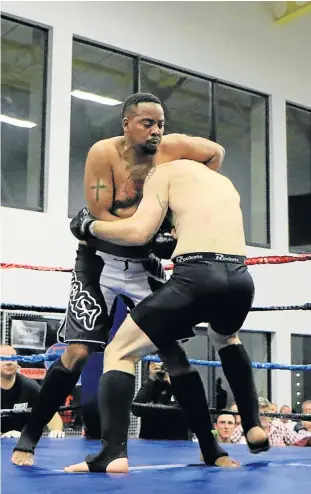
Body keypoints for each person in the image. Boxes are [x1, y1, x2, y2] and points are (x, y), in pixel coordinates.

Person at [12, 92, 225, 467]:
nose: (157, 131)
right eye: (148, 123)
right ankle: (29, 438)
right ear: (126, 124)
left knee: (174, 354)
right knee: (76, 354)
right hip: (100, 263)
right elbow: (101, 216)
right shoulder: (104, 154)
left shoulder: (173, 149)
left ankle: (211, 448)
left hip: (145, 266)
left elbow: (214, 154)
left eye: (161, 123)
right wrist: (152, 231)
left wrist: (185, 207)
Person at [63, 158, 269, 474]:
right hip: (241, 279)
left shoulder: (163, 171)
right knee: (225, 336)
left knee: (119, 350)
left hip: (196, 277)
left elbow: (138, 232)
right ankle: (253, 426)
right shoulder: (221, 182)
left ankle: (112, 453)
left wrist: (89, 225)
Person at [0, 345, 64, 439]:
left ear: (18, 363)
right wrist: (4, 435)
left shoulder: (30, 387)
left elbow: (49, 411)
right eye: (3, 359)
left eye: (13, 358)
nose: (9, 362)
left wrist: (56, 429)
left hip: (22, 444)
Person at [132, 362, 189, 440]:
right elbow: (136, 410)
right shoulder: (150, 386)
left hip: (177, 444)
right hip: (150, 443)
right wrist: (151, 379)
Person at [231, 397, 298, 446]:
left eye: (266, 413)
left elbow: (299, 443)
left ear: (270, 413)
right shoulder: (242, 428)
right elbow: (229, 445)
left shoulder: (280, 427)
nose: (263, 416)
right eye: (259, 413)